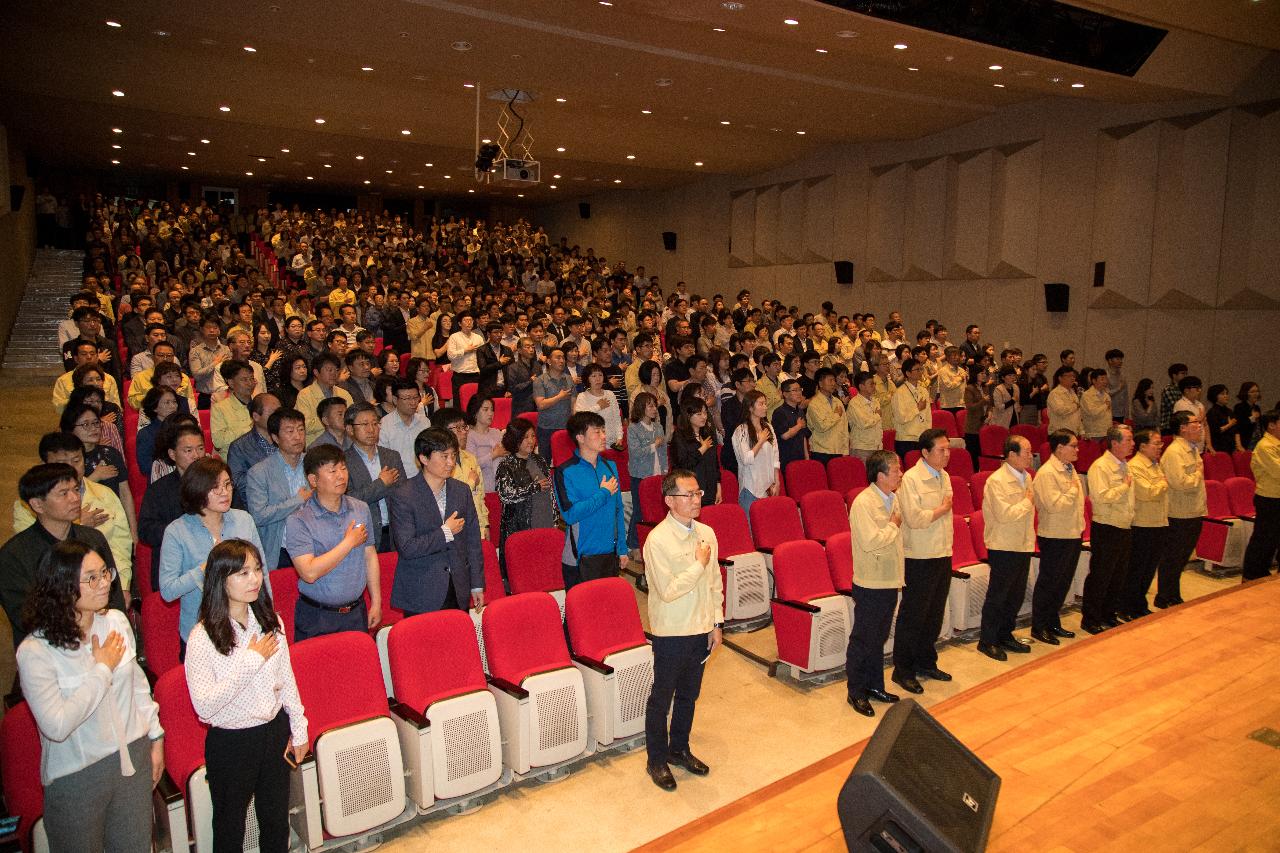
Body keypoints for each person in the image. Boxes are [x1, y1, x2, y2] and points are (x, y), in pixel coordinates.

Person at [16, 540, 163, 853]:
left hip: (131, 756)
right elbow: (57, 726)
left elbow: (138, 687)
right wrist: (101, 670)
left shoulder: (116, 622)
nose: (104, 583)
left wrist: (156, 737)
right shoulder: (35, 651)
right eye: (92, 578)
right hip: (77, 776)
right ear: (62, 587)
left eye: (105, 574)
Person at [184, 538, 307, 853]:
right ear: (220, 581)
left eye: (257, 570)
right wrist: (251, 661)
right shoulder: (203, 637)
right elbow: (205, 708)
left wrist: (299, 726)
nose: (254, 579)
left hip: (274, 731)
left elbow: (286, 679)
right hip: (233, 742)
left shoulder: (269, 620)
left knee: (276, 821)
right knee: (229, 828)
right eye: (242, 573)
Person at [642, 469, 722, 791]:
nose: (695, 500)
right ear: (669, 501)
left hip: (701, 628)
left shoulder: (707, 533)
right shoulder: (657, 540)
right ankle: (656, 759)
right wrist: (698, 564)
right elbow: (667, 590)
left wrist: (716, 622)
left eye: (698, 493)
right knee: (661, 699)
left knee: (689, 696)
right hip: (672, 632)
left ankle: (679, 749)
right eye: (688, 495)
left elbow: (715, 582)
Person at [0, 463, 126, 649]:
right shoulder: (14, 555)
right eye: (63, 493)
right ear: (37, 504)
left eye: (76, 489)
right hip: (48, 649)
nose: (75, 498)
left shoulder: (93, 538)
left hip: (101, 639)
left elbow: (113, 596)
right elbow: (25, 617)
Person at [160, 457, 263, 654]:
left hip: (247, 628)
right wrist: (205, 569)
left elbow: (262, 573)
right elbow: (168, 590)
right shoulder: (177, 531)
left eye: (227, 484)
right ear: (197, 490)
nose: (225, 492)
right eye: (215, 487)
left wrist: (266, 616)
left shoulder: (244, 520)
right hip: (202, 634)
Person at [14, 432, 134, 600]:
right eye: (62, 462)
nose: (71, 468)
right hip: (53, 596)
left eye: (76, 460)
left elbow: (120, 546)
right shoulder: (30, 504)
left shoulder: (104, 494)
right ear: (44, 464)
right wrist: (78, 525)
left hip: (102, 587)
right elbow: (32, 552)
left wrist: (122, 586)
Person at [284, 444, 381, 640]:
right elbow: (309, 573)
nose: (341, 475)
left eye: (343, 468)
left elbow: (369, 556)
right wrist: (348, 543)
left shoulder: (360, 509)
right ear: (313, 480)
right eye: (332, 470)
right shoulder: (299, 520)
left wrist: (377, 601)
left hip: (356, 612)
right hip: (317, 616)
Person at [388, 427, 485, 615]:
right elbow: (407, 547)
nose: (451, 462)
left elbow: (473, 541)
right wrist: (445, 532)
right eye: (444, 456)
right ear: (423, 459)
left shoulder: (461, 490)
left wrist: (477, 585)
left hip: (458, 587)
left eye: (453, 455)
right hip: (422, 590)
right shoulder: (404, 495)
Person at [891, 430, 955, 696]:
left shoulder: (946, 476)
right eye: (941, 449)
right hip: (919, 555)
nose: (947, 453)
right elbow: (915, 519)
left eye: (948, 448)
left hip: (942, 551)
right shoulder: (911, 480)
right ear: (925, 453)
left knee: (934, 612)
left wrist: (938, 511)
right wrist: (940, 510)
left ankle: (926, 662)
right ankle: (903, 670)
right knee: (914, 615)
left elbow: (946, 505)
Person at [845, 450, 904, 717]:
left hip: (890, 578)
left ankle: (875, 685)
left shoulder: (893, 498)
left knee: (879, 637)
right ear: (880, 475)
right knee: (864, 638)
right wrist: (892, 526)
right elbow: (870, 541)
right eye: (895, 471)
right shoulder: (863, 503)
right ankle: (856, 691)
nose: (900, 474)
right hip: (870, 581)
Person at [977, 436, 1036, 661]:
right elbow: (1004, 515)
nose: (1031, 456)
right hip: (1003, 544)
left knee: (1016, 594)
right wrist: (1027, 502)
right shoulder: (997, 481)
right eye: (1027, 452)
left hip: (1022, 542)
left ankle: (1005, 633)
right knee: (999, 595)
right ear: (1011, 455)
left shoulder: (1027, 477)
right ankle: (988, 640)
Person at [554, 411, 629, 587]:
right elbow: (570, 515)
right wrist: (603, 493)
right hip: (580, 557)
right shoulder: (565, 471)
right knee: (581, 612)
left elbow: (618, 510)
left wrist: (622, 549)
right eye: (597, 432)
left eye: (604, 430)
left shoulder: (610, 467)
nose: (604, 436)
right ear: (580, 437)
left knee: (607, 610)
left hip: (609, 555)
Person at [1029, 429, 1085, 642]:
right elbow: (1054, 505)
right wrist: (1070, 491)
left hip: (1072, 531)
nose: (1077, 449)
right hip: (1054, 534)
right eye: (1073, 445)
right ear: (1060, 448)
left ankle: (1053, 621)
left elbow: (1077, 503)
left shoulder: (1069, 469)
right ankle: (1040, 625)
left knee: (1063, 582)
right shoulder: (1047, 473)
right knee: (1049, 582)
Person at [245, 408, 311, 571]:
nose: (297, 436)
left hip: (315, 545)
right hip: (280, 550)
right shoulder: (259, 472)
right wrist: (297, 501)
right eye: (290, 431)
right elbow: (259, 515)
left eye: (301, 430)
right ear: (275, 437)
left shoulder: (314, 463)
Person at [1084, 424, 1136, 632]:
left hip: (1124, 525)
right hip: (1107, 526)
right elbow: (1101, 498)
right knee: (1101, 575)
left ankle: (1108, 613)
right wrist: (1124, 486)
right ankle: (1091, 619)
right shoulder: (1101, 467)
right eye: (1129, 440)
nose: (1133, 444)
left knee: (1118, 574)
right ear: (1114, 443)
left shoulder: (1125, 465)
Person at [494, 417, 557, 580]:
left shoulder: (540, 460)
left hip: (545, 521)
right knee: (525, 574)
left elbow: (551, 493)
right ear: (515, 439)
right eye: (526, 437)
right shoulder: (506, 465)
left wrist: (555, 519)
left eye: (533, 436)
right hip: (521, 527)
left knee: (545, 572)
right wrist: (533, 488)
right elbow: (505, 495)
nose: (531, 441)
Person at [1155, 411, 1206, 608]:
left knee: (1182, 556)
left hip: (1193, 509)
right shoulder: (1175, 452)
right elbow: (1179, 482)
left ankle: (1173, 594)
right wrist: (1197, 476)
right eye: (1195, 423)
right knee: (1173, 556)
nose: (1199, 426)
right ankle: (1164, 596)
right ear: (1182, 428)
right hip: (1179, 512)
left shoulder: (1192, 448)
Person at [1120, 428, 1168, 620]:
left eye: (1160, 444)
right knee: (1136, 569)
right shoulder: (1135, 466)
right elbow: (1146, 493)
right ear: (1142, 446)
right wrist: (1162, 485)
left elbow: (1157, 490)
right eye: (1156, 443)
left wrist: (1159, 486)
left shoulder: (1156, 465)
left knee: (1149, 568)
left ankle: (1139, 604)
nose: (1159, 447)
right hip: (1142, 524)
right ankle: (1127, 607)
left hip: (1158, 521)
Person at [344, 403, 405, 553]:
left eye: (375, 423)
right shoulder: (342, 461)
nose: (371, 429)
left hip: (395, 532)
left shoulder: (391, 456)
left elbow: (404, 493)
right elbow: (347, 500)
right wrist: (381, 484)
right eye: (364, 424)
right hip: (364, 535)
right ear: (350, 429)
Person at [431, 408, 490, 540]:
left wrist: (485, 525)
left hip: (476, 527)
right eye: (458, 428)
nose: (464, 432)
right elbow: (445, 500)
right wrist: (469, 483)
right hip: (453, 530)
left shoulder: (470, 458)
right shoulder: (436, 465)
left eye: (464, 427)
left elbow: (479, 496)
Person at [626, 391, 667, 556]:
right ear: (641, 408)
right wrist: (653, 445)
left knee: (657, 509)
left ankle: (654, 545)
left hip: (657, 474)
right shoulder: (633, 428)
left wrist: (665, 470)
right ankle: (634, 544)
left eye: (655, 405)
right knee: (639, 510)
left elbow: (663, 450)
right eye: (650, 405)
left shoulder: (658, 426)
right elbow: (635, 452)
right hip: (640, 475)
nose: (654, 408)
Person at [1242, 410, 1280, 580]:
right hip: (1269, 499)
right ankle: (1252, 574)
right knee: (1264, 538)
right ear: (1271, 425)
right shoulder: (1265, 446)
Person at [732, 389, 779, 526]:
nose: (765, 407)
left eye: (765, 404)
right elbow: (746, 459)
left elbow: (775, 456)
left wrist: (776, 480)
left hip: (768, 486)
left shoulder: (768, 427)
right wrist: (760, 441)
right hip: (750, 488)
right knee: (751, 529)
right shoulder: (741, 430)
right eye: (761, 404)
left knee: (767, 527)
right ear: (750, 407)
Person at [226, 394, 280, 498]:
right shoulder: (239, 447)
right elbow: (237, 484)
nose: (279, 417)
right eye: (273, 413)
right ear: (256, 416)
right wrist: (271, 477)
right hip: (257, 502)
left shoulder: (286, 438)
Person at [671, 397, 721, 507]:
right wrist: (701, 450)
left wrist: (718, 486)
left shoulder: (708, 434)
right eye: (699, 414)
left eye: (705, 413)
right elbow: (682, 465)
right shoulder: (680, 436)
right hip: (690, 492)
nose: (704, 417)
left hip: (710, 490)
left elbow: (715, 464)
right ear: (688, 416)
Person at [294, 354, 354, 447]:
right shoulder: (305, 395)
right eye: (329, 370)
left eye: (336, 370)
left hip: (344, 443)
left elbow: (352, 419)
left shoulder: (344, 394)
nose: (334, 374)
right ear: (316, 372)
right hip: (316, 446)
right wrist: (332, 420)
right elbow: (304, 425)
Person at [379, 379, 431, 479]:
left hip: (424, 478)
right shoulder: (384, 425)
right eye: (407, 398)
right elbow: (384, 462)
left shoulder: (425, 422)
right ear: (395, 400)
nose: (413, 403)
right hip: (398, 481)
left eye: (416, 397)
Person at [532, 346, 576, 461]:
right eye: (558, 358)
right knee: (545, 464)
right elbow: (540, 404)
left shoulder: (569, 379)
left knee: (566, 462)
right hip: (546, 429)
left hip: (566, 427)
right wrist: (559, 397)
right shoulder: (540, 380)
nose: (562, 361)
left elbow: (573, 403)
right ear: (549, 361)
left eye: (563, 358)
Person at [210, 360, 256, 456]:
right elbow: (218, 442)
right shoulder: (220, 408)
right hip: (234, 459)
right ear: (231, 383)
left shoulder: (261, 404)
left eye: (252, 378)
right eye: (244, 379)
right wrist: (249, 428)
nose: (250, 383)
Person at [806, 367, 848, 466]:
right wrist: (836, 415)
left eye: (834, 380)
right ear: (820, 384)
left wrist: (845, 450)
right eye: (830, 380)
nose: (833, 383)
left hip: (838, 450)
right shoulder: (814, 404)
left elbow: (844, 427)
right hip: (821, 451)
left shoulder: (838, 401)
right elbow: (822, 426)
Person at [575, 363, 624, 447]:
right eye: (593, 376)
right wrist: (598, 407)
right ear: (587, 379)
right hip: (592, 444)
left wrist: (619, 436)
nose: (598, 379)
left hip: (612, 443)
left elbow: (617, 417)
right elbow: (580, 419)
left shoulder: (610, 394)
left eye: (600, 375)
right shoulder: (582, 396)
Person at [891, 359, 930, 459]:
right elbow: (900, 418)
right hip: (906, 440)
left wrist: (928, 434)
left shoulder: (923, 390)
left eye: (921, 369)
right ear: (908, 373)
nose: (920, 372)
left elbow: (928, 415)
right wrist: (917, 409)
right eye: (917, 370)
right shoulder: (899, 393)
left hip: (923, 438)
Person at [467, 394, 506, 492]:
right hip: (482, 487)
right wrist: (494, 455)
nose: (490, 413)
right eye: (485, 409)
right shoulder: (469, 436)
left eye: (492, 409)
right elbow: (471, 465)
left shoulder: (497, 433)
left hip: (502, 485)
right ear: (475, 413)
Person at [447, 311, 485, 401]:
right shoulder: (454, 337)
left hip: (476, 375)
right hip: (460, 376)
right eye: (465, 320)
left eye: (470, 320)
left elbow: (483, 356)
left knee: (476, 402)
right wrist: (465, 350)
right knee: (459, 402)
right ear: (460, 323)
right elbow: (450, 355)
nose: (469, 322)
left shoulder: (478, 338)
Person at [1046, 367, 1082, 435]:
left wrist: (1081, 431)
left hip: (1074, 432)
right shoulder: (1055, 393)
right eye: (1069, 376)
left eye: (1073, 376)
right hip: (1059, 434)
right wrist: (1075, 405)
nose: (1072, 378)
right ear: (1060, 378)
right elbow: (1061, 410)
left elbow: (1078, 414)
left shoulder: (1073, 392)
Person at [1204, 384, 1238, 454]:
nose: (1226, 396)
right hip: (1218, 447)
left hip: (1230, 446)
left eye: (1226, 393)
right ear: (1215, 396)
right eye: (1222, 394)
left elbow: (1236, 430)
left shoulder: (1229, 411)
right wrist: (1230, 424)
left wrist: (1237, 445)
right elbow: (1215, 431)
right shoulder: (1212, 412)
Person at [1080, 368, 1112, 441]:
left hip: (1107, 432)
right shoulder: (1087, 395)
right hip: (1094, 433)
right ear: (1094, 381)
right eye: (1102, 379)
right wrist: (1105, 405)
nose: (1105, 382)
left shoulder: (1107, 395)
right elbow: (1092, 412)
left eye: (1106, 379)